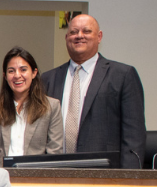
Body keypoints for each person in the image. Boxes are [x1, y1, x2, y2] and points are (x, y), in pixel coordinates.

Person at [41, 14, 146, 168]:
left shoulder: (122, 75)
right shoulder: (48, 78)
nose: (79, 36)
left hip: (105, 177)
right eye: (73, 32)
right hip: (56, 174)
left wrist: (129, 179)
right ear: (66, 37)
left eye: (86, 31)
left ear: (99, 36)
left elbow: (134, 136)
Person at [0, 47, 63, 167]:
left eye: (23, 70)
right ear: (5, 75)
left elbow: (54, 152)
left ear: (34, 73)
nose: (17, 75)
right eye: (11, 71)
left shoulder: (52, 107)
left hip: (35, 180)